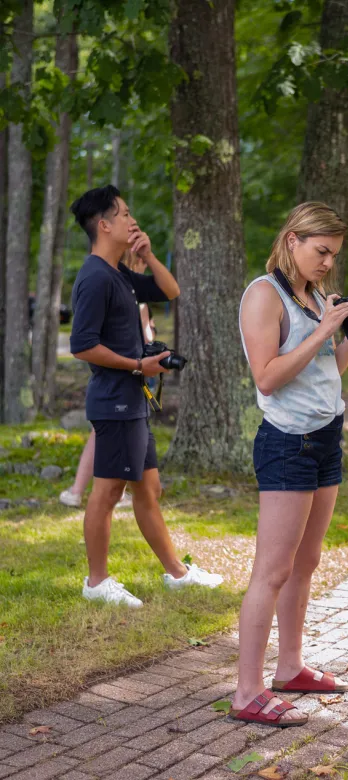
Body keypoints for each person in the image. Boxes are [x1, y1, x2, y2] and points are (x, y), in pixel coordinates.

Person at [232, 202, 348, 727]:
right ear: (292, 239)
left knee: (306, 562)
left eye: (334, 255)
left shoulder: (315, 296)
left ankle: (290, 667)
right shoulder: (262, 295)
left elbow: (326, 369)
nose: (328, 264)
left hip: (326, 439)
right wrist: (323, 328)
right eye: (322, 251)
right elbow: (268, 377)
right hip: (287, 443)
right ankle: (247, 692)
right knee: (271, 571)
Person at [69, 184, 223, 607]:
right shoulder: (95, 277)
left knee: (148, 488)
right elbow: (81, 345)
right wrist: (139, 365)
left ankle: (177, 573)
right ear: (103, 225)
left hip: (132, 401)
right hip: (115, 400)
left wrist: (150, 255)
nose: (131, 220)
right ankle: (97, 582)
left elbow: (171, 291)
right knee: (107, 493)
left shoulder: (119, 274)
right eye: (123, 215)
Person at [59, 252, 155, 510]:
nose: (146, 263)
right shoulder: (127, 291)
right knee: (107, 434)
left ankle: (84, 490)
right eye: (142, 258)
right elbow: (145, 338)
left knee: (105, 435)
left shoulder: (117, 287)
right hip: (129, 380)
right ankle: (90, 490)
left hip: (121, 380)